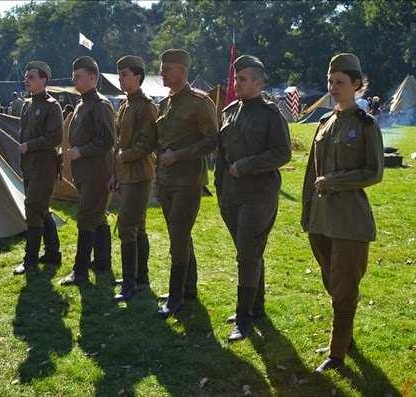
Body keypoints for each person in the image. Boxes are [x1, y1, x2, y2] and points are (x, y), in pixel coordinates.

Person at [301, 53, 384, 372]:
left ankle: (336, 354)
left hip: (350, 220)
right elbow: (311, 174)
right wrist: (307, 212)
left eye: (340, 82)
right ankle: (344, 337)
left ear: (357, 86)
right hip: (321, 220)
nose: (333, 88)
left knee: (344, 287)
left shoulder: (365, 124)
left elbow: (374, 172)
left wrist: (334, 182)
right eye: (330, 82)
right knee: (331, 283)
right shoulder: (324, 123)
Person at [215, 55, 291, 342]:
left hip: (259, 195)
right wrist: (220, 186)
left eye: (244, 79)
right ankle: (255, 307)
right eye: (237, 78)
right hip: (231, 196)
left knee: (247, 255)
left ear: (258, 83)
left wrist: (246, 165)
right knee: (250, 252)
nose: (238, 83)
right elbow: (222, 154)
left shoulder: (271, 115)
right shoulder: (229, 111)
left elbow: (282, 153)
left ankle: (244, 316)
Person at [154, 49, 218, 317]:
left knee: (178, 236)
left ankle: (177, 297)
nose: (162, 73)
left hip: (188, 180)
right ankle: (187, 288)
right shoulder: (165, 103)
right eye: (161, 68)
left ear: (182, 71)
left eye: (167, 68)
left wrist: (177, 155)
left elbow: (212, 140)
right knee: (178, 234)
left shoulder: (199, 102)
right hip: (166, 180)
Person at [58, 56, 116, 285]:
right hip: (84, 172)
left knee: (85, 216)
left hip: (96, 171)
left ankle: (80, 271)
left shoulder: (100, 105)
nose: (74, 79)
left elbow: (107, 140)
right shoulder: (83, 103)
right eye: (74, 75)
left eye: (79, 76)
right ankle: (103, 261)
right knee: (97, 216)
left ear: (93, 78)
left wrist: (80, 151)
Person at [110, 55, 158, 301]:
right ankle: (140, 277)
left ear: (137, 77)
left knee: (128, 227)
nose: (120, 79)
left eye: (124, 75)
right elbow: (119, 140)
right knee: (137, 227)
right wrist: (115, 172)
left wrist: (122, 157)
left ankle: (130, 283)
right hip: (126, 174)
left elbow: (147, 143)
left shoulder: (145, 105)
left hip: (140, 174)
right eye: (119, 74)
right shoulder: (126, 105)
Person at [13, 60, 64, 275]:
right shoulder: (27, 104)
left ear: (43, 80)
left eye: (31, 77)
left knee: (32, 208)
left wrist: (30, 145)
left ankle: (30, 259)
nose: (27, 80)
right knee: (41, 209)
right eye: (26, 76)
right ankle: (53, 253)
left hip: (44, 166)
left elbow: (55, 137)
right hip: (29, 166)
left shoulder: (52, 105)